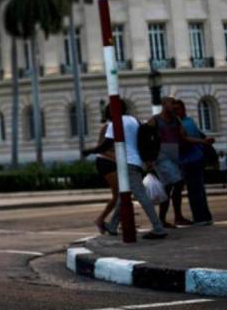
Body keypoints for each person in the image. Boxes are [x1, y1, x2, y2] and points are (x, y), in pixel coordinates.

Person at [103, 109, 167, 239]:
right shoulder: (133, 120)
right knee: (124, 195)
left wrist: (92, 150)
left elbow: (105, 145)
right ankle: (113, 226)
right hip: (137, 161)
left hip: (128, 163)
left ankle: (158, 227)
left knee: (141, 196)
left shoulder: (115, 123)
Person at [145, 97, 205, 228]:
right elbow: (144, 137)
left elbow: (184, 137)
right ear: (164, 104)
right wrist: (148, 158)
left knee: (174, 188)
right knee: (176, 183)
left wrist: (203, 141)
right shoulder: (155, 120)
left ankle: (172, 218)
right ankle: (166, 219)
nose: (174, 106)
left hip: (174, 156)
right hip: (161, 157)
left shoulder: (176, 121)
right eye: (171, 103)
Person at [174, 99, 214, 226]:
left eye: (177, 109)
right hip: (196, 158)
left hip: (190, 160)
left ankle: (200, 218)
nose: (175, 112)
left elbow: (186, 142)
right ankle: (205, 216)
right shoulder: (189, 121)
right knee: (198, 189)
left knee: (194, 191)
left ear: (183, 110)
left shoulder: (185, 124)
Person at [81, 107, 119, 235]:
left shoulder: (119, 125)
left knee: (122, 195)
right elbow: (102, 148)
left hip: (115, 163)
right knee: (119, 194)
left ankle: (119, 221)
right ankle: (101, 220)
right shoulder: (108, 127)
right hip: (106, 162)